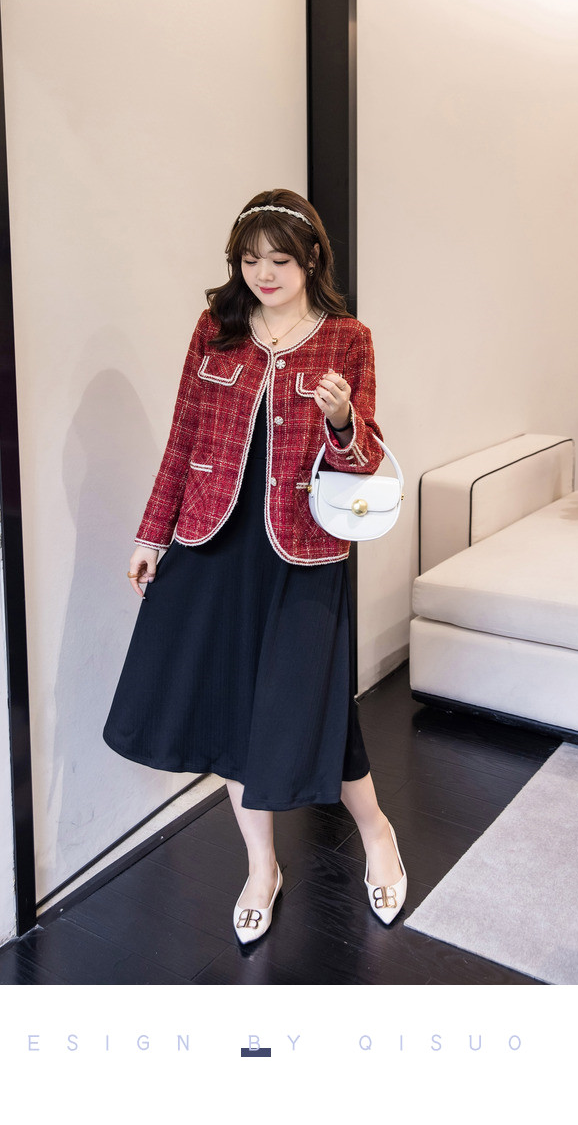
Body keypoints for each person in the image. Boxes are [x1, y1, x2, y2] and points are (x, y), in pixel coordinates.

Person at [103, 188, 406, 945]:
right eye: (249, 259)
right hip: (214, 544)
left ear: (312, 259)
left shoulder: (348, 339)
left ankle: (378, 834)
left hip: (302, 549)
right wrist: (152, 536)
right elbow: (183, 437)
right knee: (232, 708)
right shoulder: (216, 329)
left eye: (279, 259)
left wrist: (342, 420)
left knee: (315, 708)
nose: (263, 274)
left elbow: (365, 462)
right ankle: (261, 867)